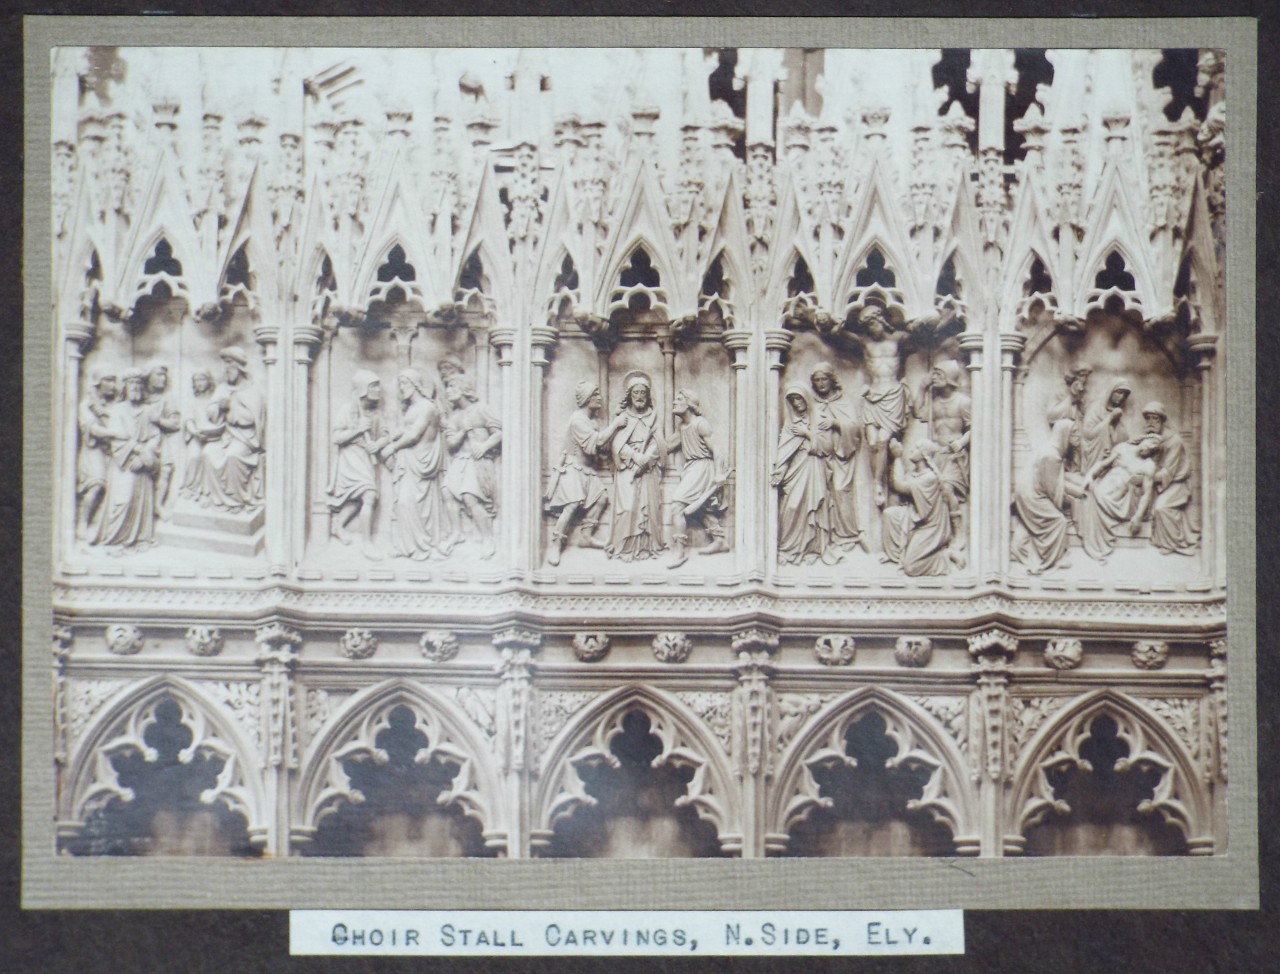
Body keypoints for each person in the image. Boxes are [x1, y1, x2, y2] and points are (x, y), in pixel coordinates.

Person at [544, 380, 625, 566]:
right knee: (571, 505)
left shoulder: (592, 421)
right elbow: (593, 444)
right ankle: (556, 545)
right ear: (587, 398)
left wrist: (615, 419)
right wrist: (616, 424)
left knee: (602, 498)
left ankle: (586, 537)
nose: (599, 397)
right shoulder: (577, 420)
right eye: (595, 394)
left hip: (587, 470)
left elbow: (601, 446)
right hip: (574, 469)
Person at [377, 367, 447, 560]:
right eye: (400, 384)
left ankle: (422, 545)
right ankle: (405, 545)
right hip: (409, 460)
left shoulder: (427, 407)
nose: (402, 388)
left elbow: (415, 434)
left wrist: (393, 447)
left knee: (409, 502)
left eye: (405, 383)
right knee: (401, 502)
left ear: (417, 384)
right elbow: (406, 429)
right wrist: (391, 437)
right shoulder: (413, 408)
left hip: (421, 461)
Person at [188, 346, 266, 512]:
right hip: (226, 436)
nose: (225, 370)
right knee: (208, 453)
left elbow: (252, 418)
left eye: (229, 365)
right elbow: (211, 412)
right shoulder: (222, 388)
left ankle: (235, 501)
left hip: (246, 438)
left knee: (233, 456)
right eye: (224, 365)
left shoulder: (253, 389)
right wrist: (219, 409)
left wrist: (231, 408)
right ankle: (217, 500)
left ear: (239, 366)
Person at [326, 369, 391, 558]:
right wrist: (357, 430)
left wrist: (377, 444)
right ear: (363, 389)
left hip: (366, 459)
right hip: (350, 459)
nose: (379, 390)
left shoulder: (375, 414)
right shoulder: (348, 409)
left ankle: (337, 525)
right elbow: (336, 437)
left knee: (360, 499)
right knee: (369, 495)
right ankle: (367, 543)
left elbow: (386, 436)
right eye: (374, 386)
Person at [93, 368, 161, 549]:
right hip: (124, 463)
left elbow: (155, 436)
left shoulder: (148, 410)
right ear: (125, 388)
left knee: (142, 500)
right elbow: (119, 438)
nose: (136, 388)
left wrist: (146, 454)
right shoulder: (118, 410)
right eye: (132, 385)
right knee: (123, 501)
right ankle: (114, 539)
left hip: (142, 464)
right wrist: (139, 451)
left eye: (139, 384)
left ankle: (140, 538)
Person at [855, 307, 915, 508]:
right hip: (872, 395)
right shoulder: (864, 342)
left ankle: (878, 484)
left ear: (881, 319)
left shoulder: (898, 339)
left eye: (872, 323)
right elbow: (837, 335)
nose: (872, 330)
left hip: (893, 395)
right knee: (872, 441)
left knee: (882, 440)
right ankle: (878, 481)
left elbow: (924, 334)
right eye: (867, 326)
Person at [1011, 419, 1088, 574]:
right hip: (1031, 495)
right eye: (1073, 433)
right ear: (1063, 434)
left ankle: (1018, 548)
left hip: (1029, 491)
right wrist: (1071, 497)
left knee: (1034, 523)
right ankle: (1048, 561)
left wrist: (1076, 487)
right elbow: (1052, 490)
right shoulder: (1051, 455)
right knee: (1058, 521)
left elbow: (1056, 479)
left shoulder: (1051, 450)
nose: (1077, 436)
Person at [664, 390, 729, 568]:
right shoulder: (683, 427)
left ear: (689, 404)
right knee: (703, 508)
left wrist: (718, 473)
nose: (674, 402)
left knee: (677, 506)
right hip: (691, 468)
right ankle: (720, 540)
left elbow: (717, 450)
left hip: (702, 468)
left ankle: (680, 552)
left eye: (678, 399)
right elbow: (668, 446)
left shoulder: (700, 424)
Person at [607, 371, 666, 561]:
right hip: (627, 467)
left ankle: (645, 548)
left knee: (648, 509)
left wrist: (647, 457)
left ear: (648, 395)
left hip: (648, 468)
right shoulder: (623, 417)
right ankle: (625, 548)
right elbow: (616, 443)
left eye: (643, 393)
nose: (639, 397)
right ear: (629, 395)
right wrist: (634, 456)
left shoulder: (654, 417)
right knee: (627, 508)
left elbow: (659, 443)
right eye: (635, 393)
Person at [441, 376, 502, 560]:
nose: (448, 391)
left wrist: (484, 446)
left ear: (463, 388)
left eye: (451, 386)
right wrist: (462, 431)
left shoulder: (481, 409)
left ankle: (487, 538)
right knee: (447, 492)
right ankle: (456, 533)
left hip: (478, 461)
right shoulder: (455, 417)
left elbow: (499, 433)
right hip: (460, 460)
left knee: (469, 496)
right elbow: (451, 444)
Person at [772, 383, 832, 565]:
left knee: (813, 509)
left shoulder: (820, 419)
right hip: (794, 471)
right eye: (792, 400)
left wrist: (807, 434)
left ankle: (811, 550)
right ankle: (787, 548)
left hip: (813, 468)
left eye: (799, 398)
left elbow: (827, 447)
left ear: (806, 397)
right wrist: (780, 471)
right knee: (790, 507)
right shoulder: (791, 425)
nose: (797, 403)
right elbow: (784, 451)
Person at [809, 363, 865, 555]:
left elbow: (855, 429)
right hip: (820, 456)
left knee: (841, 491)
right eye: (816, 380)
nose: (820, 383)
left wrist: (834, 423)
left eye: (824, 379)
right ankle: (825, 537)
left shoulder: (843, 402)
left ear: (831, 380)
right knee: (822, 494)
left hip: (842, 456)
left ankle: (848, 534)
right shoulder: (813, 403)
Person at [1077, 434, 1160, 562]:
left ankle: (1096, 540)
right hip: (1106, 482)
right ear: (1142, 439)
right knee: (1090, 490)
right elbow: (1104, 464)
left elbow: (1146, 493)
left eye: (1152, 448)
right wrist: (1090, 475)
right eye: (1148, 443)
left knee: (1095, 495)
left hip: (1121, 499)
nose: (1148, 448)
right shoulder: (1122, 448)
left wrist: (1137, 517)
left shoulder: (1149, 466)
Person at [921, 359, 971, 567]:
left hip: (954, 457)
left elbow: (975, 427)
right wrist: (923, 389)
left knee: (947, 489)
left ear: (950, 378)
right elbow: (918, 413)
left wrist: (961, 441)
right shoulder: (933, 400)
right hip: (936, 455)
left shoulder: (963, 401)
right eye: (934, 374)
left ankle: (960, 533)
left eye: (939, 374)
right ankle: (938, 535)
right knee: (930, 492)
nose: (935, 378)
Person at [880, 439, 955, 576]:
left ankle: (944, 557)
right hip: (914, 516)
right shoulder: (915, 474)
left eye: (915, 449)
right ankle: (896, 556)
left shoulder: (929, 478)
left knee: (911, 568)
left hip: (930, 527)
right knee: (889, 514)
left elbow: (900, 486)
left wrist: (897, 457)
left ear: (923, 454)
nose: (911, 451)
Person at [1141, 401, 1200, 555]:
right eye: (1148, 419)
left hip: (1177, 484)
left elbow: (1168, 471)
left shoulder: (1174, 441)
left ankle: (1176, 543)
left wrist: (1146, 478)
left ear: (1162, 420)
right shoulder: (1152, 437)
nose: (1151, 423)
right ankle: (1161, 540)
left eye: (1155, 419)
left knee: (1161, 508)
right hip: (1161, 483)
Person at [76, 369, 117, 541]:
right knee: (96, 486)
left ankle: (99, 524)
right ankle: (82, 523)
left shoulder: (111, 405)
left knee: (111, 489)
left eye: (114, 381)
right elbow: (93, 429)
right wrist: (116, 433)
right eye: (109, 380)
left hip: (111, 452)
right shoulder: (87, 405)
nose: (113, 385)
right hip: (93, 452)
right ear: (98, 382)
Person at [144, 363, 181, 519]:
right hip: (139, 438)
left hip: (159, 439)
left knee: (166, 469)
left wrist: (158, 419)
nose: (163, 378)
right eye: (158, 374)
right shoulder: (140, 395)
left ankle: (157, 505)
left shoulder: (167, 399)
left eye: (164, 375)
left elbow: (175, 424)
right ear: (149, 377)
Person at [179, 369, 223, 496]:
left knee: (210, 456)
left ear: (209, 381)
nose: (199, 383)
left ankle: (209, 492)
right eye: (196, 380)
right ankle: (191, 488)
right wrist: (195, 432)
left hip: (215, 437)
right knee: (194, 456)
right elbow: (188, 420)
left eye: (202, 379)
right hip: (197, 436)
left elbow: (221, 420)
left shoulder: (215, 400)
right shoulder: (191, 401)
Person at [1079, 376, 1132, 473]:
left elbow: (1123, 438)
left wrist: (1115, 424)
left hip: (1110, 454)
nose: (1121, 397)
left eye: (1124, 394)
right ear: (1110, 391)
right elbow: (1087, 433)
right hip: (1093, 451)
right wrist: (1110, 418)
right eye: (1119, 392)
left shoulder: (1117, 412)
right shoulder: (1096, 408)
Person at [1046, 366, 1092, 471]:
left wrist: (1080, 401)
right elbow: (1051, 415)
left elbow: (1084, 413)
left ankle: (1076, 470)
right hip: (1064, 432)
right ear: (1073, 376)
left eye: (1086, 376)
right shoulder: (1060, 391)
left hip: (1078, 429)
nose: (1084, 379)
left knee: (1081, 449)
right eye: (1081, 375)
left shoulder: (1083, 392)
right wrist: (1071, 397)